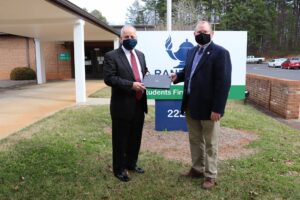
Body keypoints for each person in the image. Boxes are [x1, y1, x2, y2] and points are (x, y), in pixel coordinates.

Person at [171, 20, 232, 189]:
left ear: (212, 34)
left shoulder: (221, 53)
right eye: (198, 32)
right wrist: (178, 76)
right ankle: (197, 169)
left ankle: (210, 175)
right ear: (194, 34)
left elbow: (223, 83)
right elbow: (189, 72)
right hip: (191, 104)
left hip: (209, 108)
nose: (201, 34)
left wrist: (218, 108)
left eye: (205, 31)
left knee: (211, 143)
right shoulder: (191, 51)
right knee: (195, 139)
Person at [103, 25, 148, 182]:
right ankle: (119, 169)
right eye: (127, 37)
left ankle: (131, 163)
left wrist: (149, 77)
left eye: (133, 37)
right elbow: (109, 78)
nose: (130, 40)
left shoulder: (141, 55)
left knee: (136, 137)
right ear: (121, 39)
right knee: (120, 139)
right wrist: (131, 85)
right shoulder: (111, 56)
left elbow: (144, 72)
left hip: (139, 104)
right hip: (122, 106)